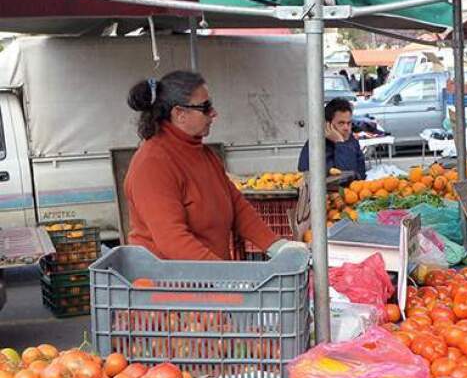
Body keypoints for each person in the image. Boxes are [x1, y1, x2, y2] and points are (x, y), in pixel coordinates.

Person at [123, 71, 288, 261]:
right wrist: (224, 276)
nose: (214, 113)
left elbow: (237, 206)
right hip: (171, 284)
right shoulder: (152, 165)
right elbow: (173, 240)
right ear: (179, 114)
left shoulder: (203, 154)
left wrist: (276, 245)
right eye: (205, 107)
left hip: (208, 279)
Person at [297, 98, 367, 179]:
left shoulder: (352, 142)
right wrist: (340, 143)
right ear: (328, 125)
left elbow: (360, 175)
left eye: (349, 123)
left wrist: (341, 143)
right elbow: (345, 177)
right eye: (341, 123)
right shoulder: (316, 145)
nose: (346, 128)